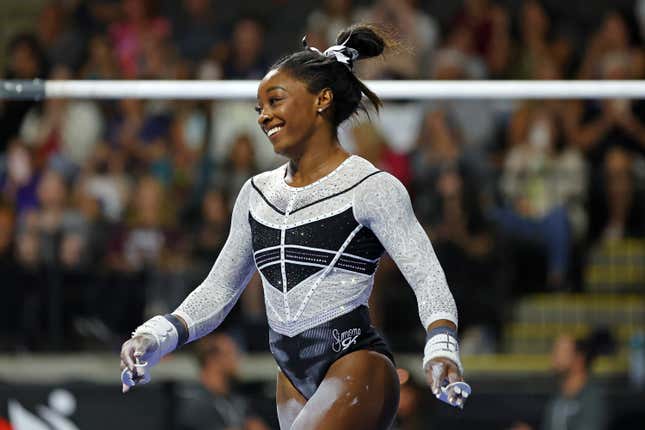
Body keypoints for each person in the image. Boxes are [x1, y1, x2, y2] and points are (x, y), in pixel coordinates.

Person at [120, 24, 468, 430]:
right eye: (259, 108)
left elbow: (425, 274)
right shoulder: (255, 193)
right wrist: (155, 337)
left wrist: (441, 345)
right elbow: (218, 290)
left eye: (276, 100)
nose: (265, 116)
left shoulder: (371, 188)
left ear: (322, 99)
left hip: (355, 362)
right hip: (291, 374)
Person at [510, 333, 609, 430]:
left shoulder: (593, 398)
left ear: (579, 359)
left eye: (561, 352)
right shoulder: (558, 396)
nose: (554, 357)